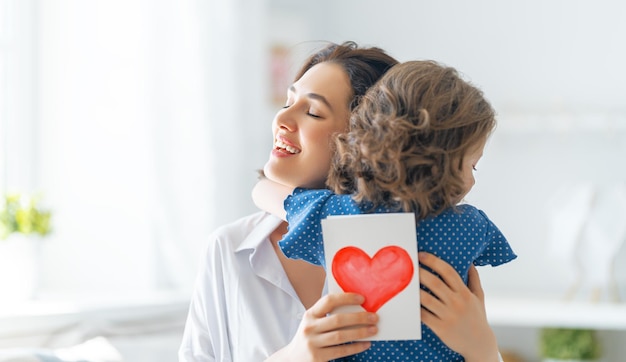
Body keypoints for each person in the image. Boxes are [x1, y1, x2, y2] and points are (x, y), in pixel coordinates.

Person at [179, 42, 503, 362]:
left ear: (368, 137)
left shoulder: (426, 246)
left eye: (312, 112)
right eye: (287, 102)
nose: (282, 119)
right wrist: (292, 357)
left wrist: (483, 350)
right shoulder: (230, 250)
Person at [253, 60, 517, 361]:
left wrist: (263, 183)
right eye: (472, 166)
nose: (471, 179)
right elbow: (496, 253)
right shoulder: (471, 226)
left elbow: (265, 193)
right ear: (444, 162)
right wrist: (482, 347)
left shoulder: (332, 215)